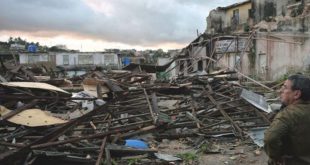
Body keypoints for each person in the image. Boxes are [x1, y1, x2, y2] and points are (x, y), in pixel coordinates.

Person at [264, 74, 310, 165]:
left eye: (285, 88)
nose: (281, 91)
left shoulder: (287, 114)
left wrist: (276, 156)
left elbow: (271, 138)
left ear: (296, 94)